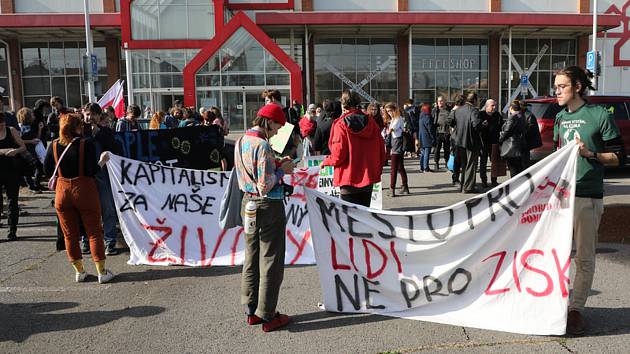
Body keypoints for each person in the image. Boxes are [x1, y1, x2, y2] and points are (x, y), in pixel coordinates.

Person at [552, 66, 622, 336]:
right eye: (556, 87)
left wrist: (590, 153)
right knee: (556, 254)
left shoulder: (598, 115)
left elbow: (618, 157)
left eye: (562, 87)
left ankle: (576, 309)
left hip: (587, 197)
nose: (556, 91)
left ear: (578, 87)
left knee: (584, 257)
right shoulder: (559, 117)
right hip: (561, 197)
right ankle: (555, 302)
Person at [234, 103, 295, 332]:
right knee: (271, 258)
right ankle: (268, 314)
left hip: (247, 204)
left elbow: (250, 174)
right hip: (267, 206)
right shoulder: (263, 145)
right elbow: (265, 185)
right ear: (268, 121)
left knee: (251, 256)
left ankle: (251, 310)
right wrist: (283, 170)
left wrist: (276, 164)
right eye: (277, 125)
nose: (278, 131)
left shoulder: (241, 141)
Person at [44, 113, 115, 284]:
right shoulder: (86, 143)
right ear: (77, 127)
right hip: (84, 189)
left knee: (70, 234)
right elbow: (92, 170)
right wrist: (102, 161)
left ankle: (79, 271)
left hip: (62, 191)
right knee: (94, 232)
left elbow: (47, 170)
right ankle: (102, 271)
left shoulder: (53, 145)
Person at [321, 90, 385, 206]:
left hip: (348, 178)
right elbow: (382, 150)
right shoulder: (372, 123)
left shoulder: (340, 124)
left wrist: (326, 161)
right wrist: (376, 170)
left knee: (350, 220)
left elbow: (338, 155)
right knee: (363, 218)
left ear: (343, 104)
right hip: (368, 178)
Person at [0, 112, 27, 240]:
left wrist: (15, 151)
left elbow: (23, 146)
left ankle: (12, 230)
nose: (1, 126)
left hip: (12, 170)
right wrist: (3, 151)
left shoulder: (11, 130)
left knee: (12, 201)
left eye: (2, 123)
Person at [450, 92, 482, 193]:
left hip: (459, 141)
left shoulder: (458, 110)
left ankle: (463, 185)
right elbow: (476, 124)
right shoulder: (474, 110)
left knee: (464, 165)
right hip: (471, 141)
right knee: (471, 165)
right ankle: (468, 187)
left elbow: (450, 121)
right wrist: (483, 125)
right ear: (475, 100)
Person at [384, 102, 410, 197]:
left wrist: (387, 131)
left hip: (397, 143)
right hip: (396, 143)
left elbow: (391, 130)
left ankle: (392, 189)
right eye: (388, 111)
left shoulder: (398, 119)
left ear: (394, 109)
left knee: (394, 169)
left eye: (390, 110)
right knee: (400, 167)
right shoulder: (394, 119)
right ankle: (405, 186)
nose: (389, 113)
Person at [17, 108, 45, 192]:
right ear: (27, 116)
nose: (34, 116)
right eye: (32, 115)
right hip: (26, 151)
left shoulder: (30, 126)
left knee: (37, 167)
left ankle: (35, 184)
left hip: (32, 149)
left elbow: (36, 139)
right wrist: (31, 141)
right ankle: (32, 185)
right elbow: (19, 141)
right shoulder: (22, 127)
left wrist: (40, 129)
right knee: (29, 168)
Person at [499, 101, 528, 177]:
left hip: (512, 147)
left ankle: (514, 186)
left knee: (513, 169)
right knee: (519, 168)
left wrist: (500, 140)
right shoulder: (521, 116)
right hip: (520, 146)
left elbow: (507, 131)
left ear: (511, 108)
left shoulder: (512, 117)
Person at [479, 99, 503, 186]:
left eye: (495, 105)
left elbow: (501, 127)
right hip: (484, 142)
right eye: (492, 105)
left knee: (494, 162)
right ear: (487, 106)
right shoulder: (481, 114)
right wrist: (482, 125)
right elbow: (477, 127)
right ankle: (484, 180)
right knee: (483, 162)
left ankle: (494, 180)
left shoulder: (497, 115)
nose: (494, 107)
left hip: (494, 142)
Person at [432, 96, 451, 170]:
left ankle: (447, 162)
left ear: (444, 101)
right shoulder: (435, 110)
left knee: (447, 149)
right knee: (437, 149)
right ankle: (436, 163)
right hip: (438, 132)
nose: (440, 102)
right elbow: (432, 119)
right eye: (438, 101)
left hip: (446, 132)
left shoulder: (448, 110)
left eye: (441, 101)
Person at [418, 103, 435, 173]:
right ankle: (426, 167)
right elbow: (430, 129)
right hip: (427, 137)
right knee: (427, 153)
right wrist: (433, 137)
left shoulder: (421, 116)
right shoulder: (428, 117)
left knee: (423, 153)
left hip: (421, 136)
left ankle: (422, 167)